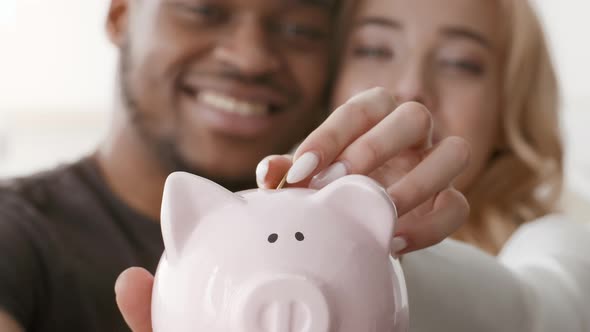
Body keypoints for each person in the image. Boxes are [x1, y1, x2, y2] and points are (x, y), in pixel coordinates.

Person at [116, 0, 590, 331]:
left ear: (510, 100)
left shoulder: (563, 243)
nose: (410, 87)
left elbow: (545, 313)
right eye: (374, 49)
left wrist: (371, 257)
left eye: (461, 63)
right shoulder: (217, 242)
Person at [0, 0, 470, 331]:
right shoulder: (14, 234)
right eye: (203, 10)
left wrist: (408, 270)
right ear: (122, 12)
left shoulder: (376, 241)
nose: (249, 58)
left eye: (298, 28)